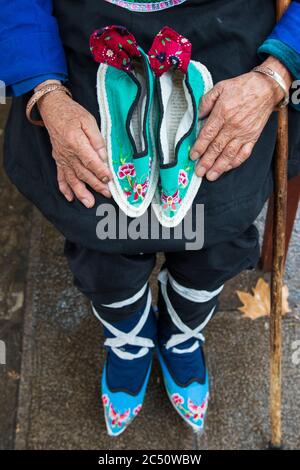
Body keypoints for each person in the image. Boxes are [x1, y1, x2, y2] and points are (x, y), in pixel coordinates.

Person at [1, 0, 300, 437]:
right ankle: (129, 340)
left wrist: (277, 71)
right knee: (103, 230)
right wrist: (44, 89)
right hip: (89, 36)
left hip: (228, 40)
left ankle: (182, 336)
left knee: (212, 233)